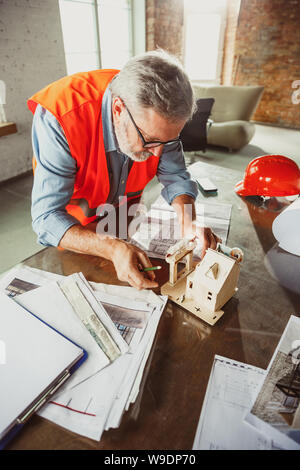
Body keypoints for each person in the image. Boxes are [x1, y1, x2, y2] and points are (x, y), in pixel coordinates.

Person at [28, 50, 220, 290]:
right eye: (150, 140)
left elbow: (176, 178)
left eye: (168, 142)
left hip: (124, 221)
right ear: (118, 110)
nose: (158, 154)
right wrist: (111, 247)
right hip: (77, 237)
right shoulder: (62, 115)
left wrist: (188, 221)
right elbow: (47, 219)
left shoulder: (157, 121)